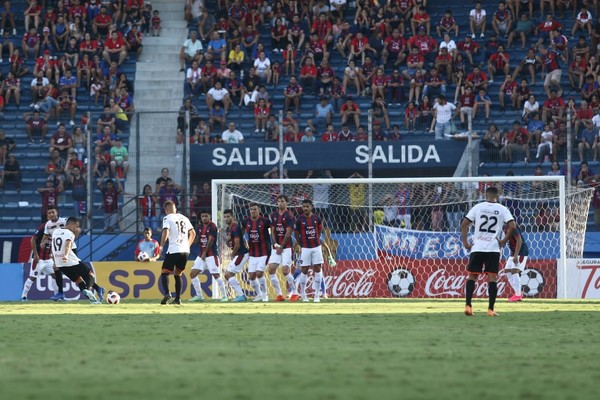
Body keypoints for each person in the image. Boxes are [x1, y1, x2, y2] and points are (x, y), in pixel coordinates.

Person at [461, 186, 516, 317]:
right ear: (498, 196)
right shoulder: (503, 209)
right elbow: (513, 225)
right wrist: (503, 241)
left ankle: (468, 306)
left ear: (486, 195)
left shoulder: (478, 207)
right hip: (493, 248)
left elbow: (464, 224)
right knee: (492, 278)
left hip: (477, 247)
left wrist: (466, 243)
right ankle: (490, 310)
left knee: (472, 276)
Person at [51, 217, 100, 303]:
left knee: (79, 280)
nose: (76, 229)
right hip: (70, 261)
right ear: (71, 225)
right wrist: (65, 255)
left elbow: (53, 248)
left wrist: (54, 260)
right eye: (76, 226)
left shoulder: (56, 232)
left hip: (60, 264)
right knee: (90, 274)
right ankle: (88, 289)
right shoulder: (70, 233)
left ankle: (93, 300)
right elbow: (68, 245)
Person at [159, 200, 195, 305]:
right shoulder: (184, 218)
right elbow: (193, 233)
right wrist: (187, 245)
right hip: (185, 251)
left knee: (165, 272)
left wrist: (161, 246)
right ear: (175, 209)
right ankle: (178, 299)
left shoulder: (167, 218)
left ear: (166, 210)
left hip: (174, 249)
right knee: (178, 273)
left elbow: (166, 231)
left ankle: (167, 293)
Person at [189, 210, 228, 302]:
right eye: (202, 216)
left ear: (209, 216)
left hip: (211, 255)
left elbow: (210, 241)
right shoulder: (200, 227)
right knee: (192, 274)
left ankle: (225, 296)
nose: (204, 218)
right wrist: (188, 244)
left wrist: (205, 253)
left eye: (206, 216)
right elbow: (198, 239)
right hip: (202, 255)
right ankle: (199, 296)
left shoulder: (212, 226)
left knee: (216, 275)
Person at [267, 195, 297, 302]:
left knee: (285, 271)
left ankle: (295, 292)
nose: (280, 203)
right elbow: (272, 230)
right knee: (271, 269)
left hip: (287, 247)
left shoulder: (289, 216)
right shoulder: (273, 215)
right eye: (279, 201)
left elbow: (288, 233)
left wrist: (282, 246)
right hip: (276, 247)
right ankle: (280, 295)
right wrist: (275, 243)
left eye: (282, 201)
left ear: (286, 203)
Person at [294, 199, 324, 302]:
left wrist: (316, 239)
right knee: (304, 270)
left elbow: (319, 230)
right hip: (305, 248)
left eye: (307, 206)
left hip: (316, 247)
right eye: (304, 207)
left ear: (311, 207)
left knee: (317, 269)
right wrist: (300, 244)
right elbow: (296, 233)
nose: (305, 208)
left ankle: (316, 295)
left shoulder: (317, 218)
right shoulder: (299, 219)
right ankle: (303, 294)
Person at [244, 203, 271, 302]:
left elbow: (272, 231)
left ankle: (265, 294)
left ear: (259, 210)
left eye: (255, 209)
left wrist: (274, 243)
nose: (253, 211)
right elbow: (241, 232)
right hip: (252, 253)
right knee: (251, 276)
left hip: (264, 252)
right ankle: (259, 294)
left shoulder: (265, 221)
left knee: (259, 273)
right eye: (251, 209)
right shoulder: (246, 221)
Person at [223, 208, 249, 302]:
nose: (226, 218)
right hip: (238, 254)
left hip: (241, 254)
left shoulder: (235, 227)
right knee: (227, 275)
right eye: (225, 217)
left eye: (228, 216)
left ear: (232, 217)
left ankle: (241, 295)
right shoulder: (229, 229)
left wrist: (232, 254)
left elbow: (237, 244)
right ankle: (241, 295)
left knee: (228, 274)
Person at [503, 223, 529, 303]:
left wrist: (516, 255)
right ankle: (518, 293)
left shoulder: (512, 227)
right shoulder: (504, 227)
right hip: (513, 252)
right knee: (507, 271)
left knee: (514, 271)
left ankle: (518, 295)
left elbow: (519, 240)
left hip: (520, 252)